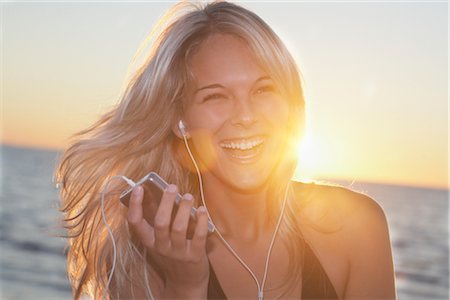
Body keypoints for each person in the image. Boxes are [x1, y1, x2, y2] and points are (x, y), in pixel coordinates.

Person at [56, 1, 396, 299]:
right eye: (215, 96)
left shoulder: (358, 228)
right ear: (180, 119)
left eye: (263, 90)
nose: (246, 116)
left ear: (291, 105)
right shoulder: (140, 259)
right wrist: (186, 285)